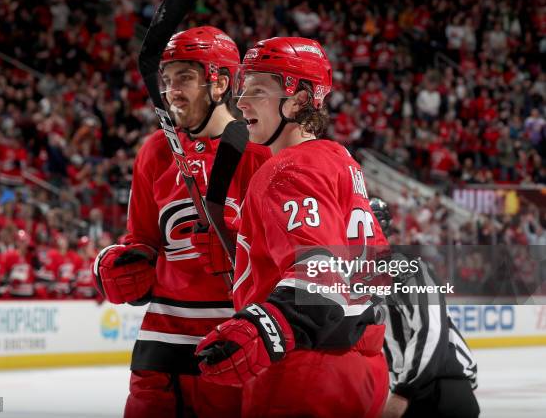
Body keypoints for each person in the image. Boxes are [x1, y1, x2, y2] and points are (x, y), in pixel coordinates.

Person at [196, 37, 389, 418]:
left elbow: (320, 276)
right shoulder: (341, 159)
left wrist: (263, 327)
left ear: (299, 100)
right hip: (363, 369)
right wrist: (251, 248)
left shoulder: (285, 168)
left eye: (258, 91)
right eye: (242, 89)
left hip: (304, 374)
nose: (242, 102)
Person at [92, 26, 270, 418]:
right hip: (160, 344)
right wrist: (121, 261)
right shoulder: (156, 151)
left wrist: (238, 246)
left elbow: (282, 257)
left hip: (232, 343)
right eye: (168, 79)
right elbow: (141, 237)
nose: (172, 89)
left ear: (220, 84)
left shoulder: (258, 155)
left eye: (185, 78)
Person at [369, 197, 480, 418]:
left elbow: (431, 328)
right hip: (417, 389)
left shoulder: (402, 266)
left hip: (436, 389)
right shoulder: (356, 275)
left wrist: (403, 392)